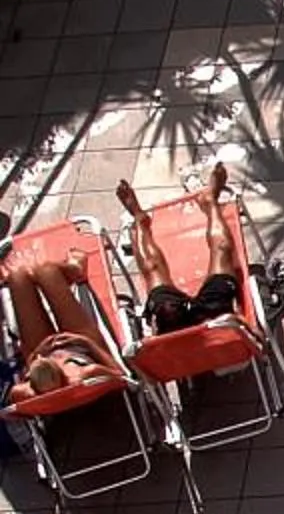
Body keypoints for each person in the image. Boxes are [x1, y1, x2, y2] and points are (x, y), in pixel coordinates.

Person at [116, 163, 249, 334]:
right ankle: (210, 202)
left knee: (152, 270)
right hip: (215, 322)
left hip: (174, 328)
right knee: (222, 249)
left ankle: (139, 218)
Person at [4, 242, 124, 409]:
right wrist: (84, 342)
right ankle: (74, 271)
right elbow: (122, 377)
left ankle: (34, 276)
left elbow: (12, 401)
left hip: (41, 345)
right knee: (46, 270)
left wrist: (36, 354)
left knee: (17, 277)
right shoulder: (84, 374)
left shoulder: (27, 392)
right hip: (79, 345)